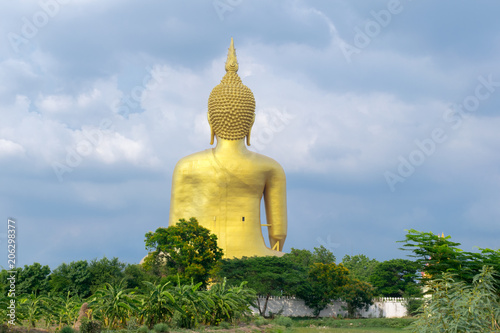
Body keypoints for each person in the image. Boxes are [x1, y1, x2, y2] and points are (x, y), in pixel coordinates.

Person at [168, 38, 287, 258]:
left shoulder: (186, 166)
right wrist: (274, 256)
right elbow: (278, 233)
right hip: (253, 259)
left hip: (194, 259)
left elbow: (174, 231)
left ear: (210, 121)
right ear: (251, 121)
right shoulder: (270, 168)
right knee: (284, 260)